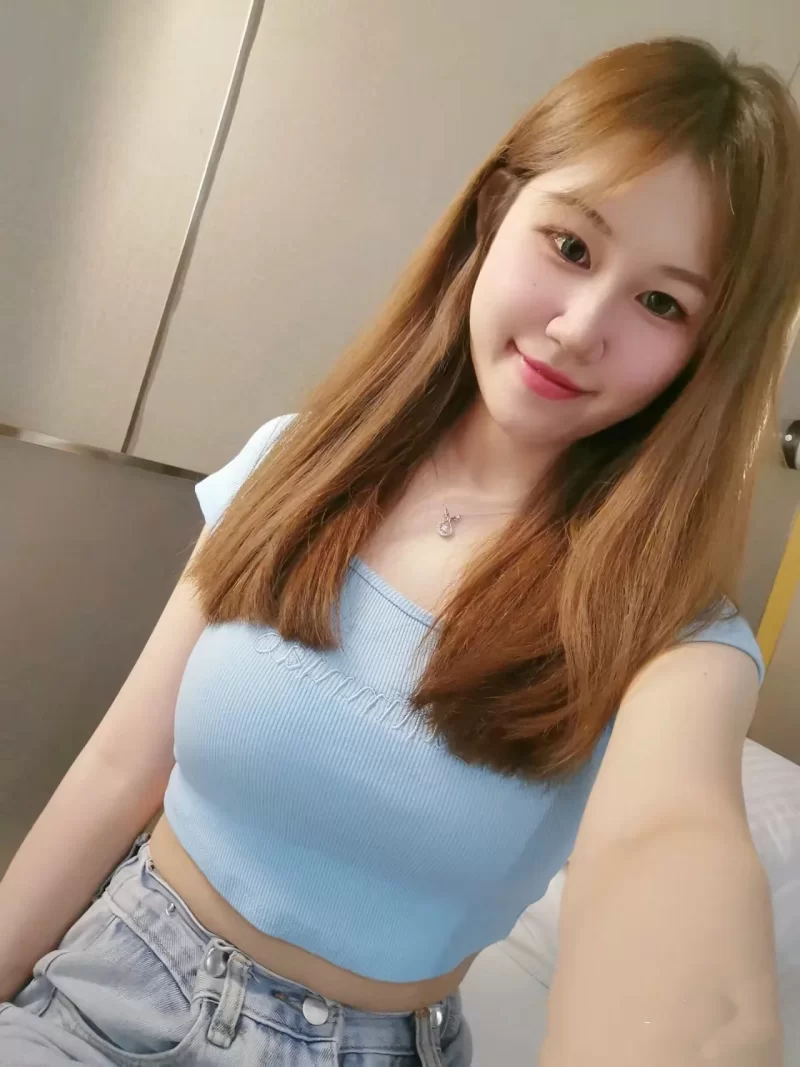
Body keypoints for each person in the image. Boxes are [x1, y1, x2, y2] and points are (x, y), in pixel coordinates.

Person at [1, 36, 799, 1067]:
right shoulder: (298, 463)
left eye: (662, 303)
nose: (577, 327)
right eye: (570, 245)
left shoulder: (674, 638)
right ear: (494, 214)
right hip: (108, 983)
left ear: (706, 353)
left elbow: (671, 844)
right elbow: (120, 767)